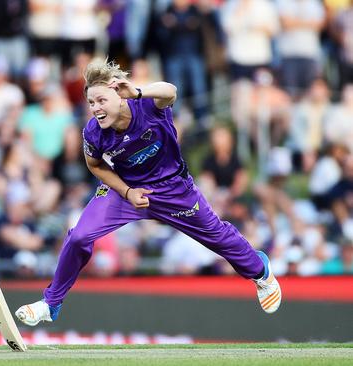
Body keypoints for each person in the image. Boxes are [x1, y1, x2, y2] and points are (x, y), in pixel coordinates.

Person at [15, 59, 282, 326]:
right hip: (125, 190)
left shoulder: (146, 105)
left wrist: (138, 91)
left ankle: (261, 272)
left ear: (118, 94)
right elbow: (94, 164)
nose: (95, 109)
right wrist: (128, 191)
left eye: (101, 100)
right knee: (79, 236)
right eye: (91, 103)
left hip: (173, 189)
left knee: (216, 236)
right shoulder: (93, 132)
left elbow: (171, 91)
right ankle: (51, 303)